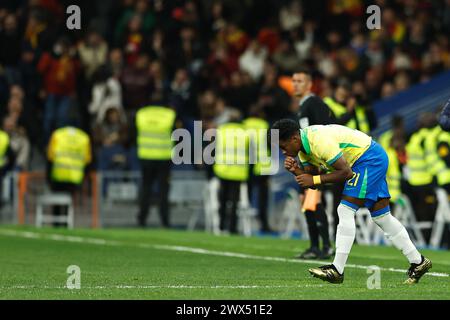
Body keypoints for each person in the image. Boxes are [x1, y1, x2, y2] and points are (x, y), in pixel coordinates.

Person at [271, 119, 432, 284]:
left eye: (283, 146)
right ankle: (418, 262)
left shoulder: (318, 141)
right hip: (369, 159)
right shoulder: (303, 150)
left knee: (345, 210)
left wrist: (314, 180)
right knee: (382, 217)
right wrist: (296, 171)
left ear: (294, 139)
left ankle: (337, 269)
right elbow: (312, 180)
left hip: (367, 159)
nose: (283, 152)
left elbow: (345, 173)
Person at [291, 70, 335, 259]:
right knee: (309, 203)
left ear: (309, 85)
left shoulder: (314, 103)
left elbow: (324, 129)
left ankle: (324, 246)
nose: (295, 84)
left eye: (300, 81)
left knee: (314, 202)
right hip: (308, 160)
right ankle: (315, 245)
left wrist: (319, 162)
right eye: (293, 81)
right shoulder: (303, 106)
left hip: (316, 160)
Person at [135, 104, 176, 228]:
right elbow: (178, 134)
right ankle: (165, 221)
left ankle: (142, 219)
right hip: (164, 157)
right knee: (163, 191)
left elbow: (134, 133)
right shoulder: (169, 114)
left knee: (146, 189)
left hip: (146, 157)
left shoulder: (141, 114)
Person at [47, 122, 91, 226]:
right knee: (69, 204)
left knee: (57, 205)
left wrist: (48, 177)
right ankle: (67, 224)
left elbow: (50, 157)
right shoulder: (84, 138)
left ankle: (56, 224)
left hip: (58, 175)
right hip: (75, 177)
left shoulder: (57, 134)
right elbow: (88, 160)